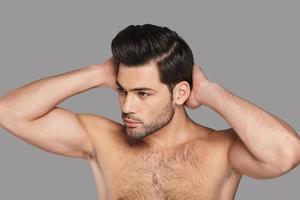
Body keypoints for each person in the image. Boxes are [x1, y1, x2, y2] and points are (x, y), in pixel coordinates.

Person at [0, 24, 299, 200]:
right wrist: (95, 74)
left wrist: (211, 93)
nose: (127, 107)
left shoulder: (221, 151)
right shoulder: (101, 140)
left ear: (180, 93)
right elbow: (10, 113)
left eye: (143, 94)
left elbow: (287, 154)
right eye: (122, 91)